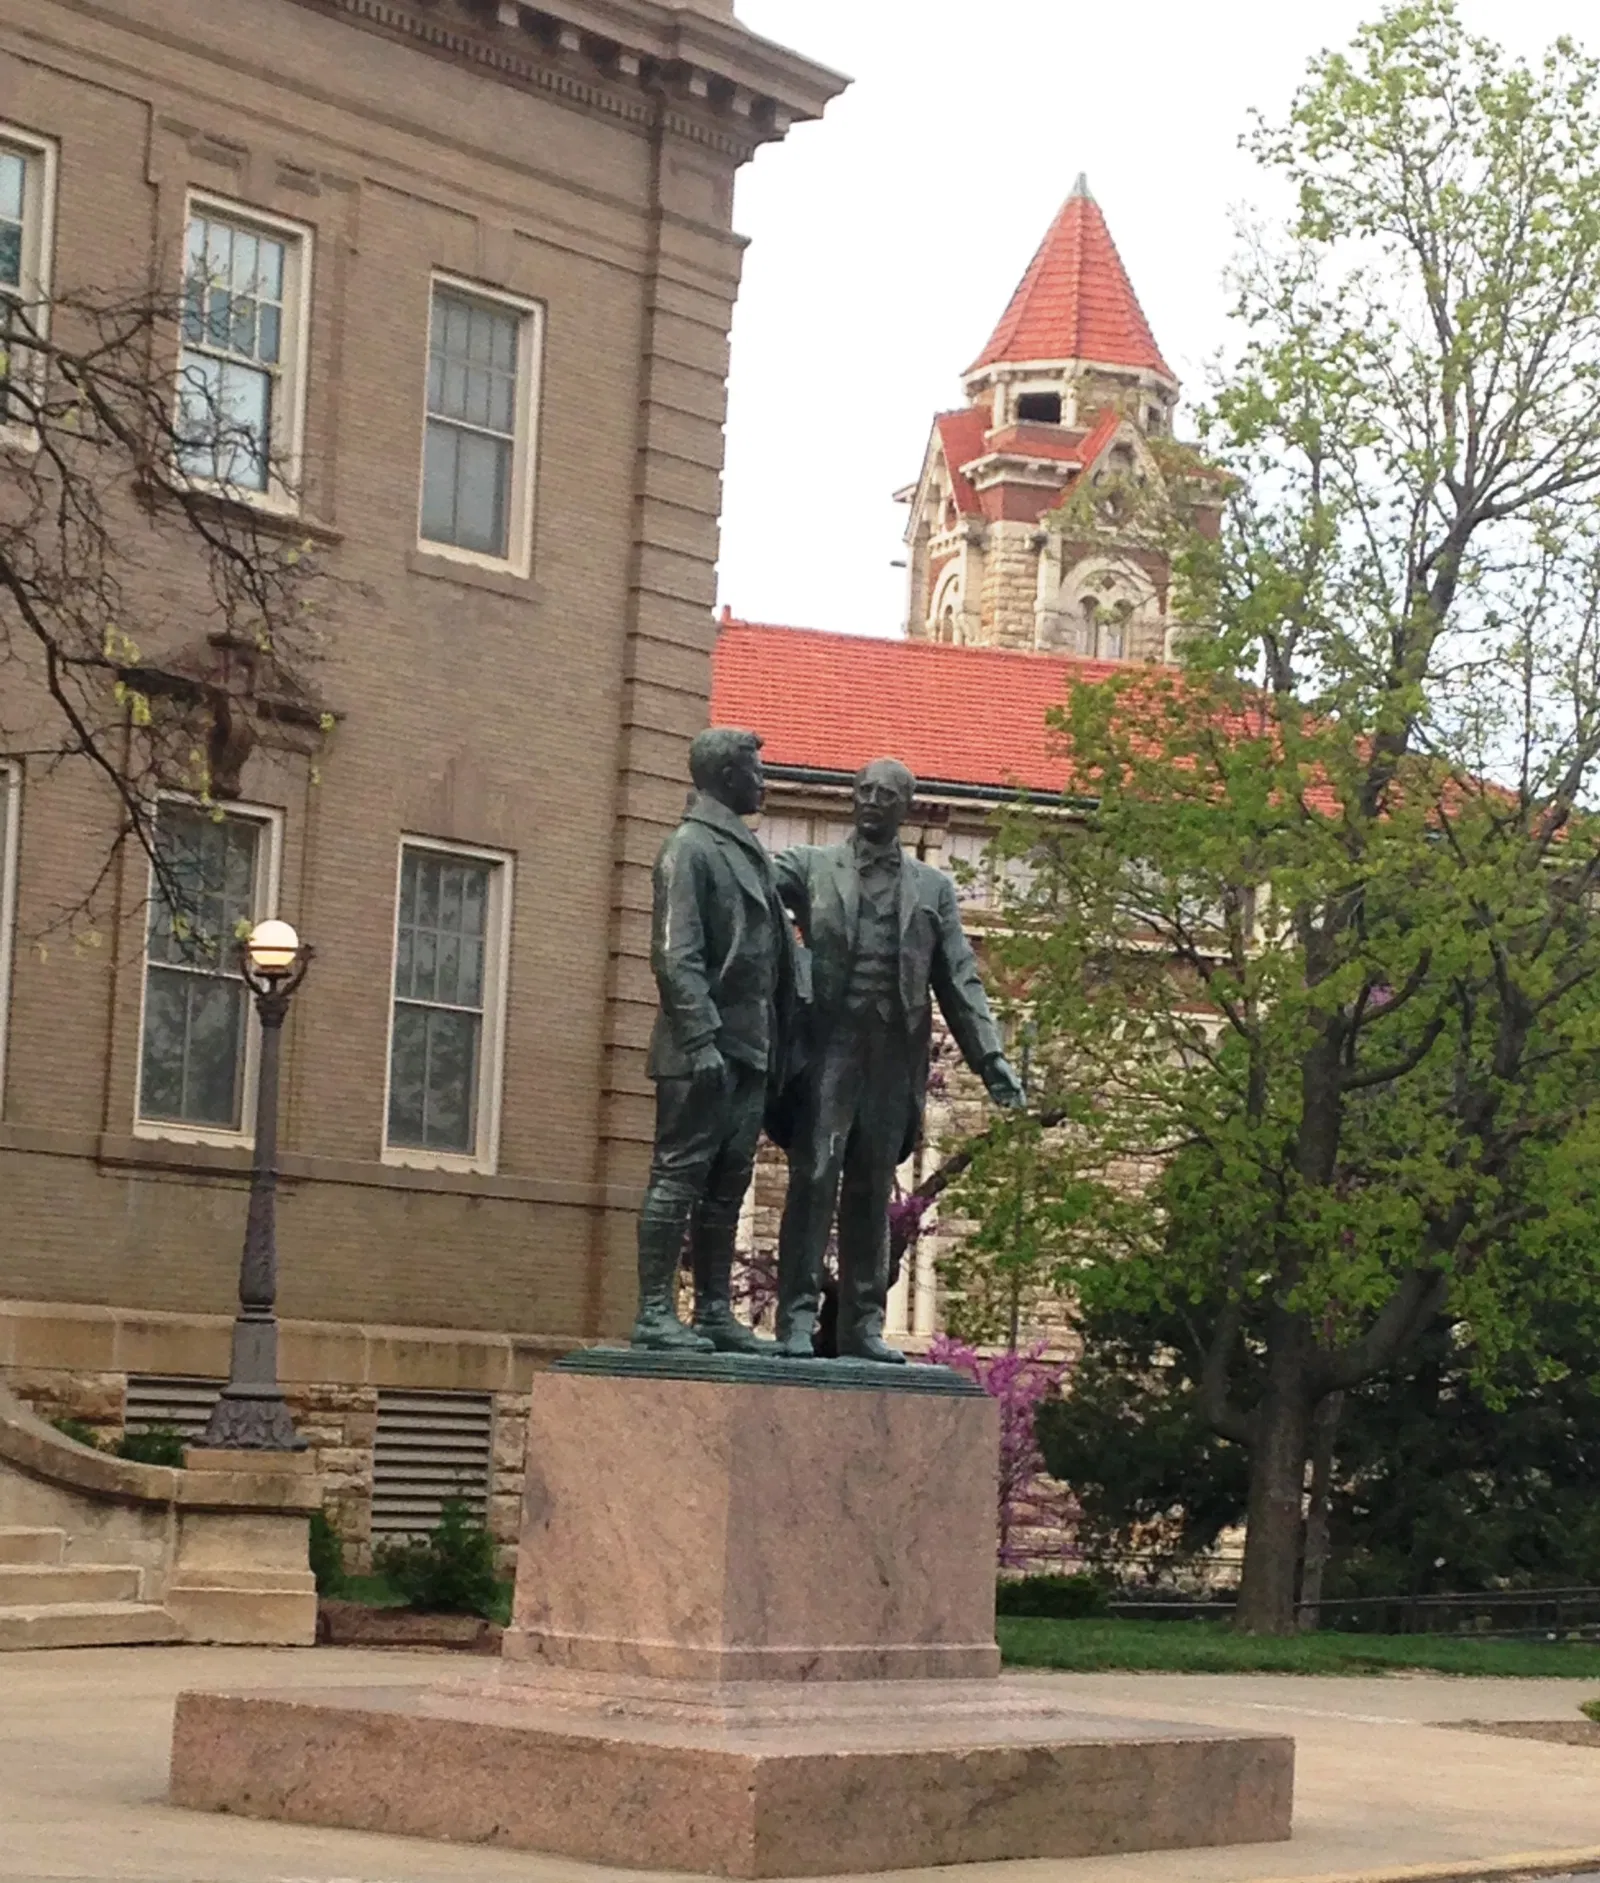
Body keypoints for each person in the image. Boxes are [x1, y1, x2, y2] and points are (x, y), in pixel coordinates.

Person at [771, 758, 1025, 1362]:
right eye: (863, 791)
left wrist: (991, 1059)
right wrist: (789, 963)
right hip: (829, 1048)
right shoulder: (810, 866)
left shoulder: (932, 889)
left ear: (904, 807)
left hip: (890, 1057)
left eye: (885, 795)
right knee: (814, 1178)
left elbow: (959, 978)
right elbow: (747, 889)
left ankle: (862, 1325)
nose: (871, 801)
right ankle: (797, 1319)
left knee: (870, 1188)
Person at [633, 727, 796, 1353]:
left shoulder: (743, 849)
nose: (764, 782)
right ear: (728, 776)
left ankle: (713, 1310)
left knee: (729, 1185)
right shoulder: (689, 848)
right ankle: (655, 1312)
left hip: (749, 1047)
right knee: (679, 1176)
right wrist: (701, 1040)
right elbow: (675, 955)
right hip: (701, 1051)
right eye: (757, 770)